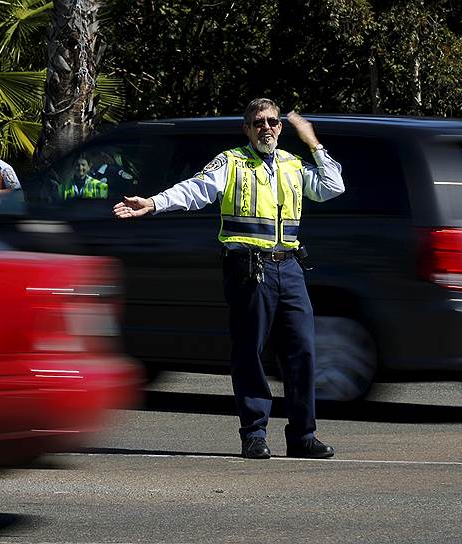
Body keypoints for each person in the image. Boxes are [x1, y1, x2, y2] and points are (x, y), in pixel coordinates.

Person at [114, 98, 345, 459]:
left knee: (302, 352)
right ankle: (254, 433)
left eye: (271, 122)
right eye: (257, 123)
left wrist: (312, 140)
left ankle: (303, 435)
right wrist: (154, 202)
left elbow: (333, 186)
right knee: (249, 353)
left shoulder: (292, 164)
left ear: (280, 128)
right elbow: (193, 190)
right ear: (247, 129)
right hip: (249, 269)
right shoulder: (231, 162)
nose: (265, 128)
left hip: (290, 268)